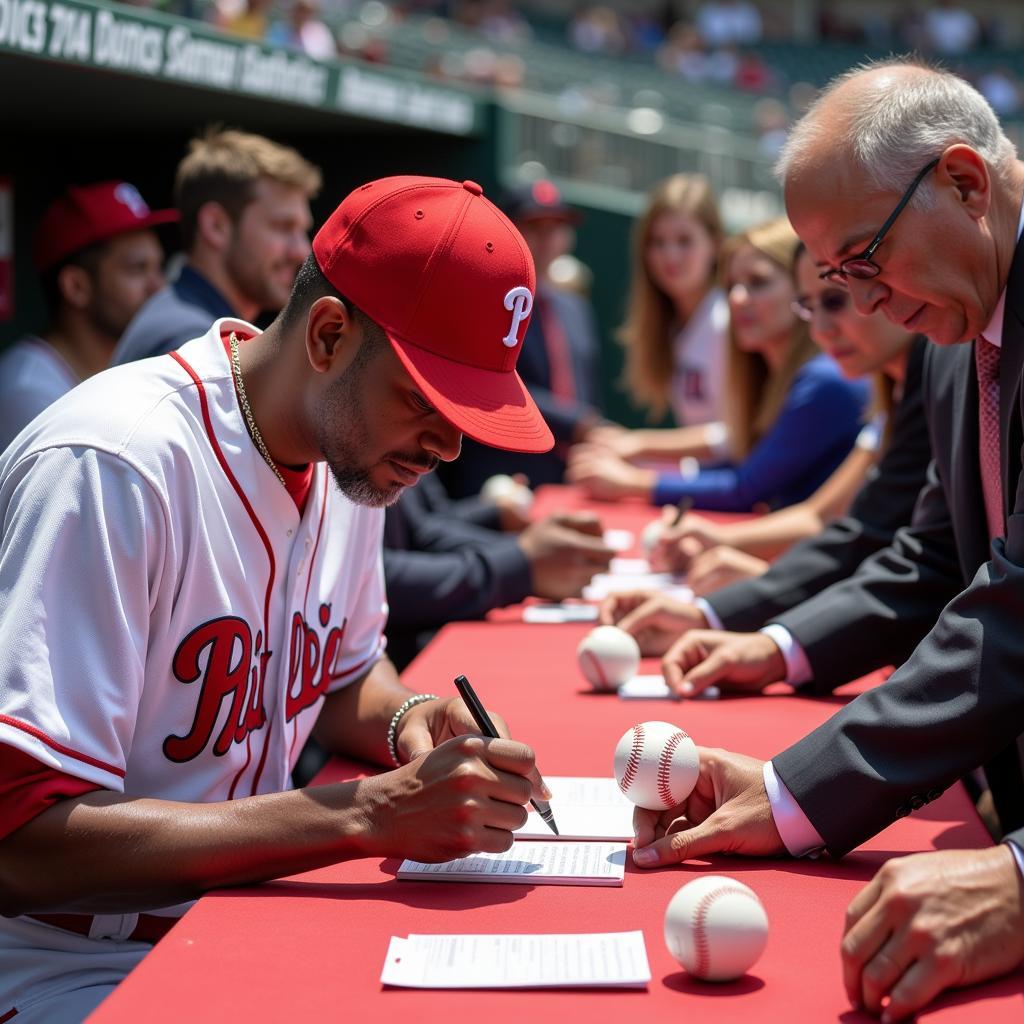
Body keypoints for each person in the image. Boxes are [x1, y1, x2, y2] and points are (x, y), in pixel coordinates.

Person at [0, 175, 555, 1021]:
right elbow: (23, 844)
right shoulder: (113, 464)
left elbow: (341, 678)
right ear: (329, 335)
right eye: (426, 399)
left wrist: (410, 718)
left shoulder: (351, 454)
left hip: (238, 930)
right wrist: (365, 812)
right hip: (67, 964)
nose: (446, 446)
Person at [621, 61, 1024, 1021]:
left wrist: (803, 791)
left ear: (964, 184)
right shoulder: (952, 335)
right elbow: (931, 557)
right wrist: (781, 702)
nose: (863, 301)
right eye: (837, 278)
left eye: (864, 257)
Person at [651, 241, 923, 596]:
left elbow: (747, 488)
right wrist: (722, 541)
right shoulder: (889, 397)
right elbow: (819, 517)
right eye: (809, 305)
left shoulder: (831, 380)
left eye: (835, 299)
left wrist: (769, 582)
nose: (820, 328)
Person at [568, 218, 869, 511]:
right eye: (731, 286)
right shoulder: (769, 376)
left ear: (803, 290)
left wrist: (632, 481)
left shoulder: (826, 379)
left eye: (758, 282)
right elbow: (735, 460)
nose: (737, 299)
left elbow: (745, 488)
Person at [440, 179, 603, 495]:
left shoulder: (575, 307)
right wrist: (579, 422)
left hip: (572, 477)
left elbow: (590, 392)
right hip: (504, 482)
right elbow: (490, 385)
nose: (546, 239)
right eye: (534, 226)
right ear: (508, 230)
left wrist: (596, 439)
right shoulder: (485, 299)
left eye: (556, 227)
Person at [112, 129, 318, 365]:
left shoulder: (191, 325)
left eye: (302, 230)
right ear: (216, 226)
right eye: (283, 227)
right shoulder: (193, 342)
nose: (302, 251)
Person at [0, 181, 172, 452]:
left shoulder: (121, 371)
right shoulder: (29, 392)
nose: (159, 287)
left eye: (158, 267)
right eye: (138, 269)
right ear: (76, 287)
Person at [383, 472, 613, 669]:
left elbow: (422, 526)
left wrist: (519, 542)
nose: (452, 449)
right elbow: (374, 581)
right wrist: (520, 564)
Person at [586, 173, 730, 468]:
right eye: (658, 242)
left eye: (684, 240)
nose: (670, 255)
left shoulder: (725, 319)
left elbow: (736, 437)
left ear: (714, 244)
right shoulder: (675, 323)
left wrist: (638, 444)